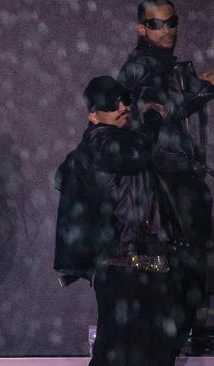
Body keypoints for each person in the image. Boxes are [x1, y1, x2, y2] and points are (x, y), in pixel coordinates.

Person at [54, 76, 180, 365]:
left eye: (124, 99)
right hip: (126, 262)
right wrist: (151, 119)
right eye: (112, 103)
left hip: (136, 260)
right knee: (128, 348)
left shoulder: (108, 143)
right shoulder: (100, 141)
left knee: (144, 347)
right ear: (93, 115)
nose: (123, 106)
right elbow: (134, 154)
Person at [118, 0, 214, 351]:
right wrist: (195, 89)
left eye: (172, 22)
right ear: (141, 28)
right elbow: (152, 106)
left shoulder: (160, 64)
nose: (168, 29)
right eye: (157, 24)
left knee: (186, 279)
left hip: (174, 181)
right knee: (176, 278)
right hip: (163, 186)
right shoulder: (140, 67)